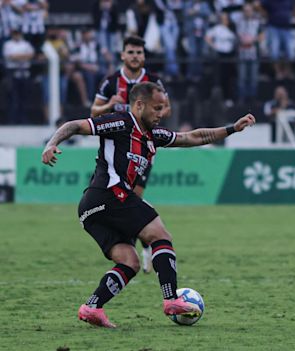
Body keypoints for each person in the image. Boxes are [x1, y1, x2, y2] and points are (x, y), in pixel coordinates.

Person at [42, 82, 256, 328]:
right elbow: (74, 126)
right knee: (160, 235)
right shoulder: (121, 122)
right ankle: (170, 299)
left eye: (163, 108)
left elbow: (193, 136)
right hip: (109, 194)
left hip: (90, 208)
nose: (161, 113)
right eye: (156, 108)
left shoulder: (154, 135)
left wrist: (232, 129)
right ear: (139, 105)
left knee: (129, 262)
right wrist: (51, 143)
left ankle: (92, 307)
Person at [91, 35, 169, 273]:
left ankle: (140, 250)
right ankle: (138, 251)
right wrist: (109, 105)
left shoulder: (153, 82)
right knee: (126, 198)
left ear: (144, 56)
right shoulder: (111, 82)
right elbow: (94, 112)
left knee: (133, 196)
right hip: (116, 152)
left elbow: (166, 107)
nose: (135, 56)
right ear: (123, 55)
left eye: (139, 53)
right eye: (131, 52)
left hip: (141, 151)